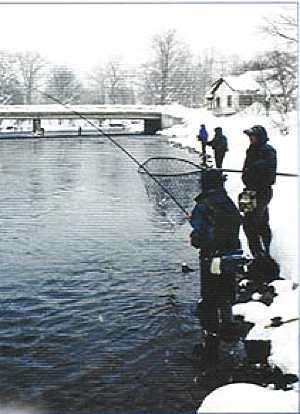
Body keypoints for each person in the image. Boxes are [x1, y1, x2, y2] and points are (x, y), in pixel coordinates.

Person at [188, 170, 242, 359]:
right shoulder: (227, 201)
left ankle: (210, 344)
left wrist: (195, 236)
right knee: (226, 292)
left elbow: (199, 237)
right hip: (231, 256)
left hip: (212, 258)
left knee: (210, 298)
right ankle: (228, 325)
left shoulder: (203, 205)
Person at [241, 125, 277, 258]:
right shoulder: (251, 149)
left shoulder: (268, 151)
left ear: (259, 137)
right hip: (249, 192)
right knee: (255, 223)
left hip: (261, 192)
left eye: (253, 136)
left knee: (251, 224)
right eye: (249, 136)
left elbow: (268, 171)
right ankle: (261, 254)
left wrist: (254, 169)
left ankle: (261, 255)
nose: (250, 139)